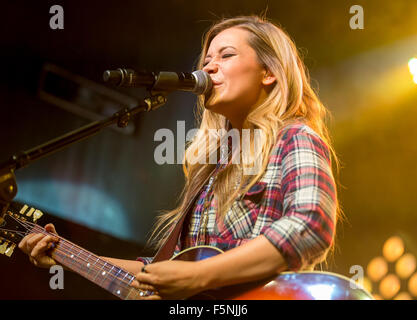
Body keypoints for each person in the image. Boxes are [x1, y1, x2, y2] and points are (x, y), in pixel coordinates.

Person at [18, 15, 340, 300]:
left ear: (268, 72)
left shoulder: (294, 138)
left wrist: (198, 276)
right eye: (207, 59)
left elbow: (309, 227)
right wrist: (64, 254)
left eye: (226, 55)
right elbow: (165, 272)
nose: (209, 66)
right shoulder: (214, 168)